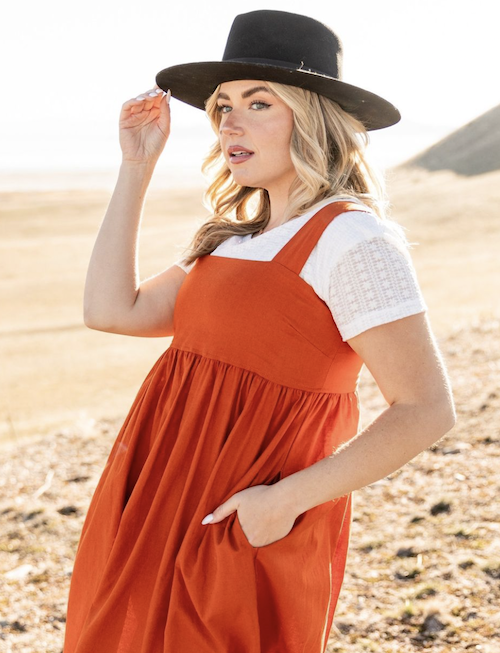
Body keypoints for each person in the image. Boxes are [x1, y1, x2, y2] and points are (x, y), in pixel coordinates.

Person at [63, 10, 455, 653]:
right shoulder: (232, 239)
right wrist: (135, 167)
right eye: (221, 107)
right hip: (158, 499)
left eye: (257, 102)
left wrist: (282, 504)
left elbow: (426, 409)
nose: (229, 123)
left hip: (243, 519)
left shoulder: (353, 238)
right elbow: (112, 310)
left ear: (312, 117)